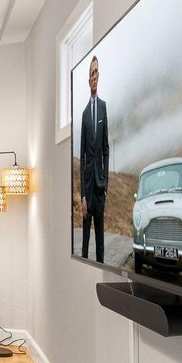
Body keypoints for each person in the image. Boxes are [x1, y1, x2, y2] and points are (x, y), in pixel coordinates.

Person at [79, 55, 109, 262]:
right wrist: (82, 195)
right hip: (87, 191)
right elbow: (82, 157)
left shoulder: (104, 107)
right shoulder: (84, 114)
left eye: (97, 72)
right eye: (92, 73)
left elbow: (106, 148)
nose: (95, 76)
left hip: (99, 189)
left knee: (100, 242)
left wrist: (105, 182)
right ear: (88, 80)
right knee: (84, 243)